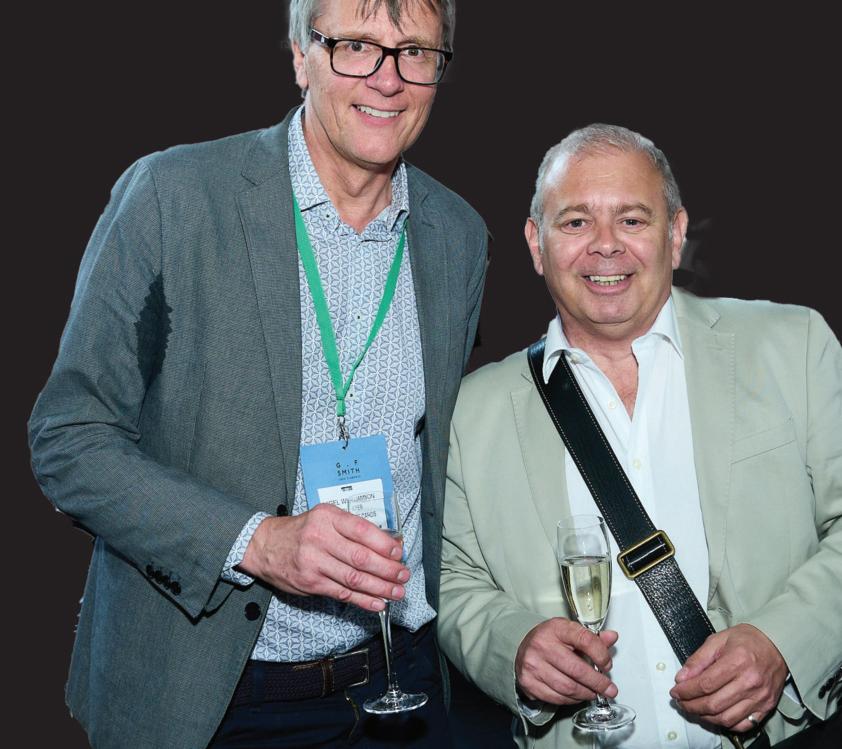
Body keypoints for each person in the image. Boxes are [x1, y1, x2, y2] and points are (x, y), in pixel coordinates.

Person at [28, 1, 487, 747]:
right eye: (355, 46)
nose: (388, 78)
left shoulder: (458, 235)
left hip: (401, 684)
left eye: (415, 52)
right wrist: (258, 542)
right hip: (215, 699)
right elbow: (69, 439)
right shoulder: (172, 197)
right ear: (301, 56)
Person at [438, 124, 841, 748]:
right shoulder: (471, 411)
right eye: (575, 222)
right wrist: (511, 645)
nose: (605, 246)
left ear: (675, 234)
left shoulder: (794, 346)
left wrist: (784, 642)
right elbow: (451, 577)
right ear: (537, 244)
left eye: (631, 220)